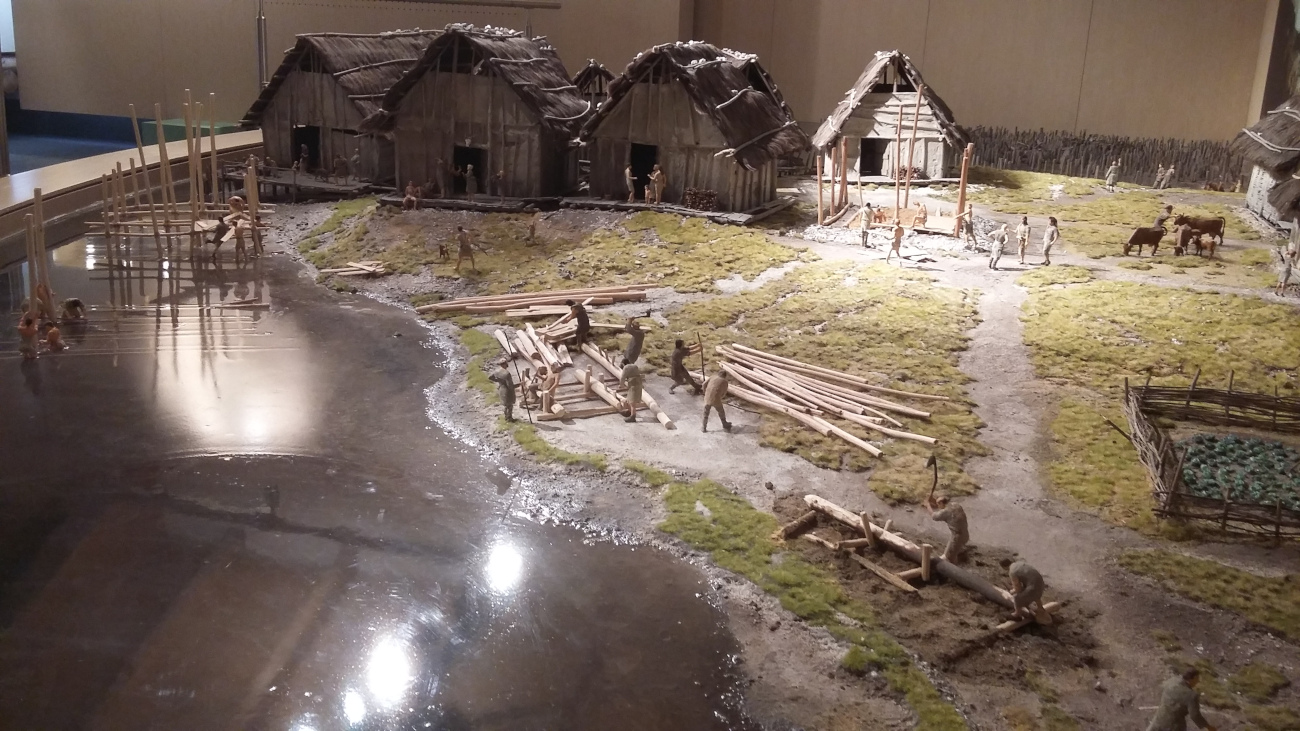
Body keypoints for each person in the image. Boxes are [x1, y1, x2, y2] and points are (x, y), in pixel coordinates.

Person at [1145, 667, 1216, 731]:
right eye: (1197, 679)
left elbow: (1162, 686)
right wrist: (1208, 727)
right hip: (1174, 727)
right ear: (1193, 678)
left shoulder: (1172, 681)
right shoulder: (1191, 695)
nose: (1198, 681)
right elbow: (1195, 715)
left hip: (1159, 719)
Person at [999, 557, 1046, 621]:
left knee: (1017, 597)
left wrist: (1012, 592)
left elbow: (1017, 588)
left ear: (1004, 567)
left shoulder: (1012, 572)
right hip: (1041, 584)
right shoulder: (1019, 564)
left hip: (1033, 587)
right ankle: (1040, 607)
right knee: (1034, 592)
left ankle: (1017, 614)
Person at [925, 494, 968, 562]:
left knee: (947, 558)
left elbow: (934, 516)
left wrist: (928, 505)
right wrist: (933, 500)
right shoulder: (956, 505)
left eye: (938, 504)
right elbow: (941, 507)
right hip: (965, 534)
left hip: (957, 538)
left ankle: (951, 569)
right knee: (954, 553)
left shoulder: (946, 512)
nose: (938, 507)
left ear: (941, 503)